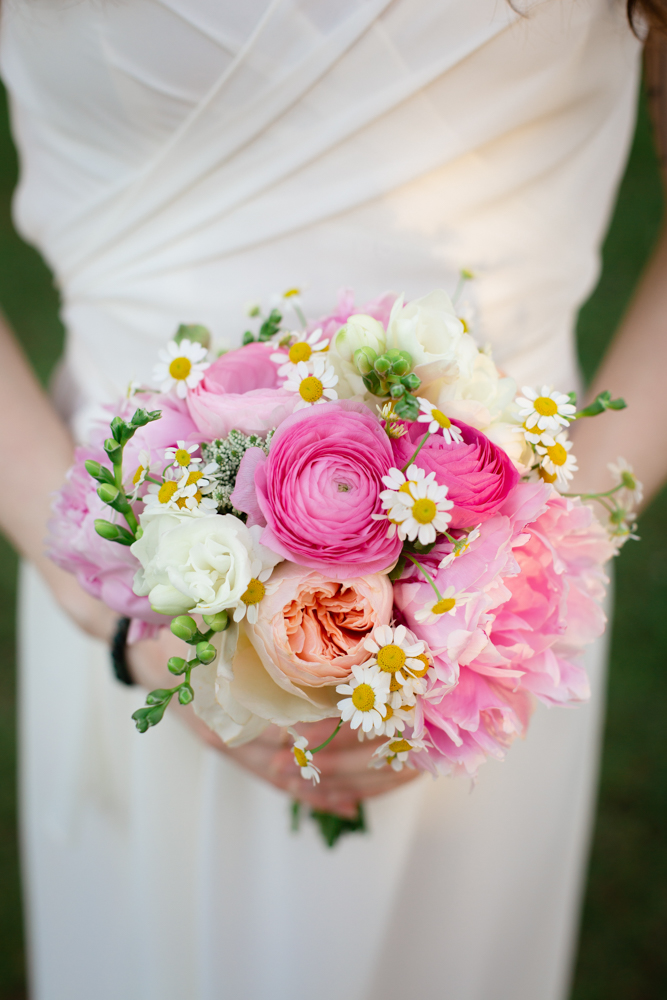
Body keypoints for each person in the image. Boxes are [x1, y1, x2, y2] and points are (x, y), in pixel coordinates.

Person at [0, 2, 665, 998]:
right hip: (120, 563)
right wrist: (110, 602)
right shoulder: (117, 592)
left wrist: (541, 556)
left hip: (500, 608)